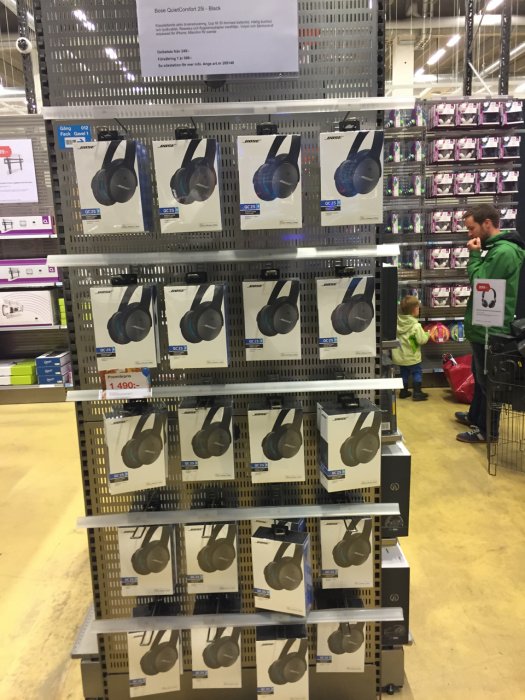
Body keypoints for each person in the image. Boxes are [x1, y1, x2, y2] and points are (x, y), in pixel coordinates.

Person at [456, 203, 525, 444]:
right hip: (482, 325)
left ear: (487, 224)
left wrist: (474, 256)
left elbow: (481, 283)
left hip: (491, 328)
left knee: (489, 382)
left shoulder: (504, 252)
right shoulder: (494, 249)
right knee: (480, 376)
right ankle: (475, 417)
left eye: (471, 228)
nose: (469, 234)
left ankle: (488, 431)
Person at [392, 295, 430, 401]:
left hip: (400, 357)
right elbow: (422, 340)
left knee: (403, 374)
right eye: (418, 307)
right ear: (414, 310)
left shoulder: (397, 323)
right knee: (417, 373)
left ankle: (403, 392)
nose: (419, 309)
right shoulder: (416, 326)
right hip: (412, 357)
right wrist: (428, 334)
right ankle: (417, 392)